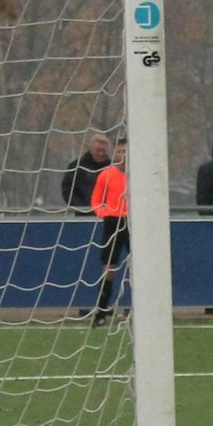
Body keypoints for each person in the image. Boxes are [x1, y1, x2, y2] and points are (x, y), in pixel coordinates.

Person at [88, 138, 128, 325]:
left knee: (140, 267)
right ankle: (101, 313)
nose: (123, 155)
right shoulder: (106, 175)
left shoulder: (138, 176)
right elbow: (96, 200)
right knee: (109, 269)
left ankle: (138, 311)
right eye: (120, 151)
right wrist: (104, 213)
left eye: (127, 151)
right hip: (113, 222)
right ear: (115, 153)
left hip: (133, 222)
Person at [61, 134, 112, 213]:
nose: (100, 154)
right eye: (98, 150)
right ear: (91, 149)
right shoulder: (76, 166)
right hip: (83, 214)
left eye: (103, 151)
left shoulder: (113, 168)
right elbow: (68, 189)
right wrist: (81, 207)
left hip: (109, 213)